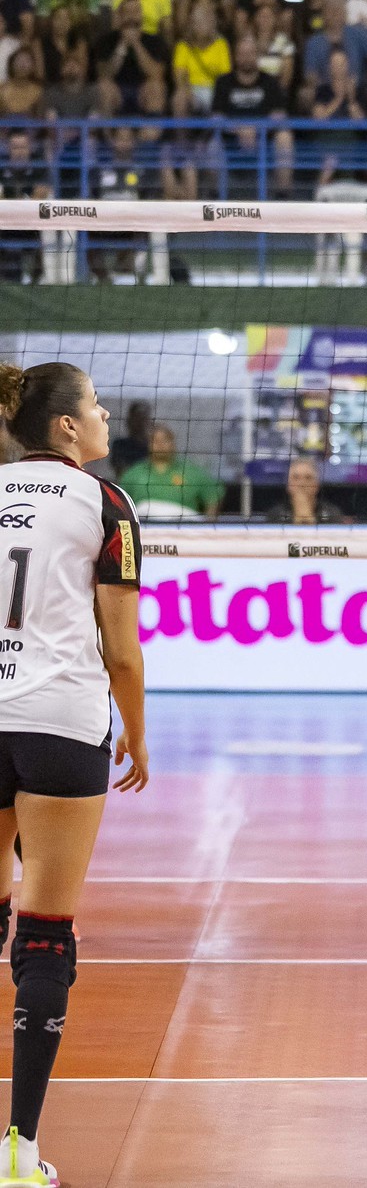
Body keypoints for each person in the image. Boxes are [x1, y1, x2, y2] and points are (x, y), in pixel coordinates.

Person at [0, 361, 151, 1186]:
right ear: (66, 428)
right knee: (45, 931)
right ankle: (19, 1150)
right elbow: (122, 649)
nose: (100, 418)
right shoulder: (106, 502)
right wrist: (138, 733)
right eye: (92, 407)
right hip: (59, 720)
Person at [118, 425, 222, 518]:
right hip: (144, 527)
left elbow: (213, 497)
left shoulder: (192, 472)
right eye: (155, 440)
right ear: (148, 444)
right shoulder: (133, 473)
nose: (160, 444)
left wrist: (208, 526)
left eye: (165, 440)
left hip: (184, 528)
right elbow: (119, 504)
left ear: (173, 443)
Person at [263, 456, 345, 524]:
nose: (302, 483)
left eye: (308, 478)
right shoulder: (275, 514)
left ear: (317, 485)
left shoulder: (333, 514)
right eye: (296, 477)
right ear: (288, 485)